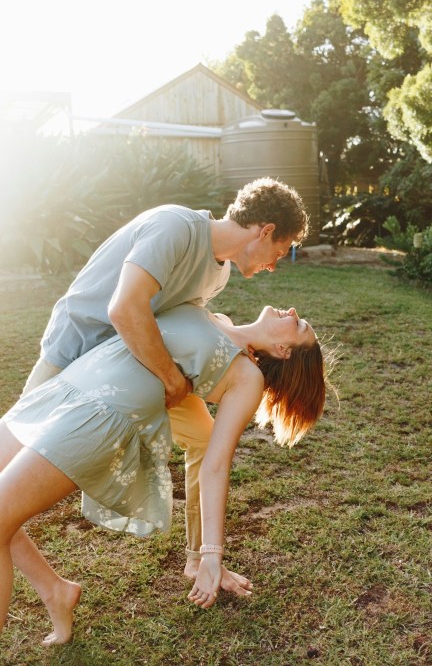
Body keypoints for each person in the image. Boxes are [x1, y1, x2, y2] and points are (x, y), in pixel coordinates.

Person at [21, 177, 309, 593]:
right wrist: (173, 379)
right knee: (8, 471)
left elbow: (179, 326)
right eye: (278, 252)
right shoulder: (175, 226)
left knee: (207, 441)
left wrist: (227, 348)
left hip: (134, 367)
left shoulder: (219, 274)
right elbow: (124, 309)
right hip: (76, 351)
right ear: (265, 232)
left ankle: (199, 559)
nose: (273, 265)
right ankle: (53, 588)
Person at [0, 302, 328, 645]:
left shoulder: (247, 377)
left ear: (282, 350)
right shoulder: (221, 319)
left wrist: (210, 555)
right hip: (71, 385)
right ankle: (55, 590)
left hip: (98, 413)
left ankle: (55, 593)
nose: (292, 311)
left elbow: (215, 464)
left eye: (300, 324)